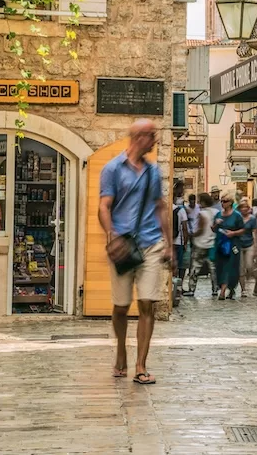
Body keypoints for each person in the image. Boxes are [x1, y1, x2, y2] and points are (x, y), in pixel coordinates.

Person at [98, 119, 172, 385]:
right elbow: (104, 207)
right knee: (120, 307)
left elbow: (159, 206)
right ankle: (120, 351)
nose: (155, 141)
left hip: (151, 243)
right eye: (153, 136)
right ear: (140, 137)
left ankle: (141, 365)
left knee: (147, 304)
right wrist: (112, 236)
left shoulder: (153, 172)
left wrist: (169, 243)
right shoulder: (112, 169)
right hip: (123, 246)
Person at [213, 191, 245, 300]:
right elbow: (213, 229)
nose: (223, 203)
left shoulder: (237, 215)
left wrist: (234, 233)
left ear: (230, 202)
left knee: (230, 267)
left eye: (225, 201)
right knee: (220, 267)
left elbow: (243, 229)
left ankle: (223, 291)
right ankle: (228, 288)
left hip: (233, 245)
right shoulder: (218, 214)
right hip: (221, 244)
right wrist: (216, 224)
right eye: (221, 201)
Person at [187, 193, 217, 297]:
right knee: (213, 268)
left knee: (195, 267)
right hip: (212, 243)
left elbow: (200, 229)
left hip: (200, 244)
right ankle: (215, 289)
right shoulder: (216, 212)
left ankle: (191, 289)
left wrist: (192, 235)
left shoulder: (202, 214)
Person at [237, 198, 257, 298]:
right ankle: (243, 289)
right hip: (239, 245)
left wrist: (255, 246)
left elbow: (254, 232)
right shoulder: (238, 218)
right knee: (241, 269)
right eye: (242, 207)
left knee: (249, 266)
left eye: (246, 207)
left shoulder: (252, 219)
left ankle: (249, 278)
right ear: (240, 209)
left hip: (249, 244)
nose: (244, 209)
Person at [171, 183, 189, 298]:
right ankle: (178, 287)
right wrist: (186, 243)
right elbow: (185, 228)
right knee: (180, 265)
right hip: (179, 241)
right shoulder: (181, 211)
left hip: (170, 242)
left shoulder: (168, 209)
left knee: (172, 265)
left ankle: (172, 286)